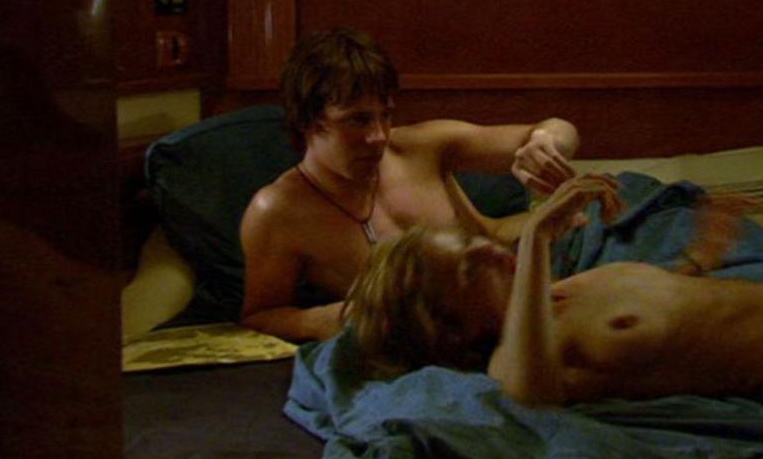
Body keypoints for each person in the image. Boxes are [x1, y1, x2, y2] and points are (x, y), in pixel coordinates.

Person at [240, 28, 580, 342]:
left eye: (385, 115)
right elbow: (260, 316)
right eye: (358, 120)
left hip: (552, 258)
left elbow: (557, 128)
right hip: (471, 326)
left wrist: (546, 143)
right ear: (308, 121)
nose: (378, 136)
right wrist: (326, 320)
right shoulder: (278, 211)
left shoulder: (421, 148)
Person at [344, 175, 763, 406]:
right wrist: (535, 238)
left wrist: (700, 257)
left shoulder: (568, 290)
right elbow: (527, 393)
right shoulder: (518, 359)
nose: (489, 249)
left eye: (469, 241)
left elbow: (669, 307)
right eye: (468, 270)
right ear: (454, 330)